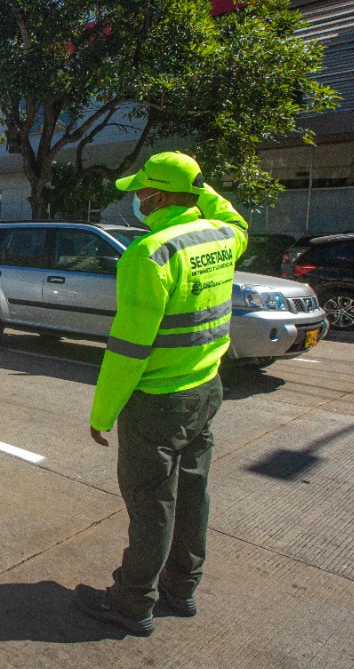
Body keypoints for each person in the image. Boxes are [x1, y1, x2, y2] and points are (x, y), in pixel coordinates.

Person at [75, 151, 248, 638]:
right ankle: (182, 587)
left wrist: (103, 412)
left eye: (143, 190)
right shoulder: (221, 236)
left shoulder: (150, 254)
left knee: (152, 504)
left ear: (161, 195)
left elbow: (129, 349)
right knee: (192, 495)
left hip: (157, 401)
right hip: (206, 389)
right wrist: (198, 185)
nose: (137, 199)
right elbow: (233, 216)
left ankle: (132, 603)